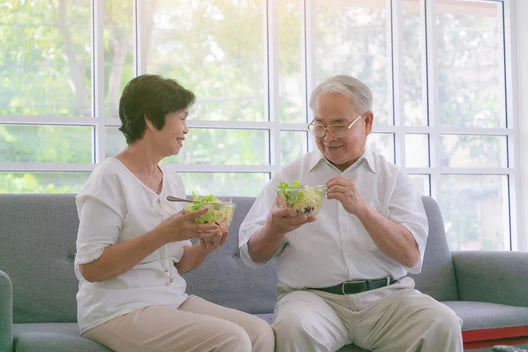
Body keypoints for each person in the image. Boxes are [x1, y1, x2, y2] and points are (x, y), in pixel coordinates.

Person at [239, 75, 463, 352]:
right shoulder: (291, 178)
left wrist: (361, 209)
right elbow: (252, 256)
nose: (327, 137)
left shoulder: (392, 178)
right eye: (319, 125)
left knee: (441, 322)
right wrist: (274, 228)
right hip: (312, 300)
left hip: (386, 299)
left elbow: (411, 255)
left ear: (367, 122)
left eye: (339, 125)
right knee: (293, 328)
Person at [74, 74, 274, 352]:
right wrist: (163, 233)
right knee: (232, 338)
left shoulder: (171, 179)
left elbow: (179, 265)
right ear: (150, 120)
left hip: (170, 300)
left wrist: (205, 247)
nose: (186, 129)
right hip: (116, 309)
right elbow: (91, 268)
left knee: (260, 333)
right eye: (181, 118)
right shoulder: (109, 178)